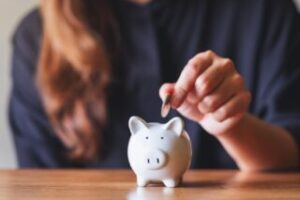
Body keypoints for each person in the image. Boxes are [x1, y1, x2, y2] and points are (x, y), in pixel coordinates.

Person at [9, 0, 300, 170]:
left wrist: (233, 127)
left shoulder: (264, 10)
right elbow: (38, 182)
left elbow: (292, 158)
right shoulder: (38, 40)